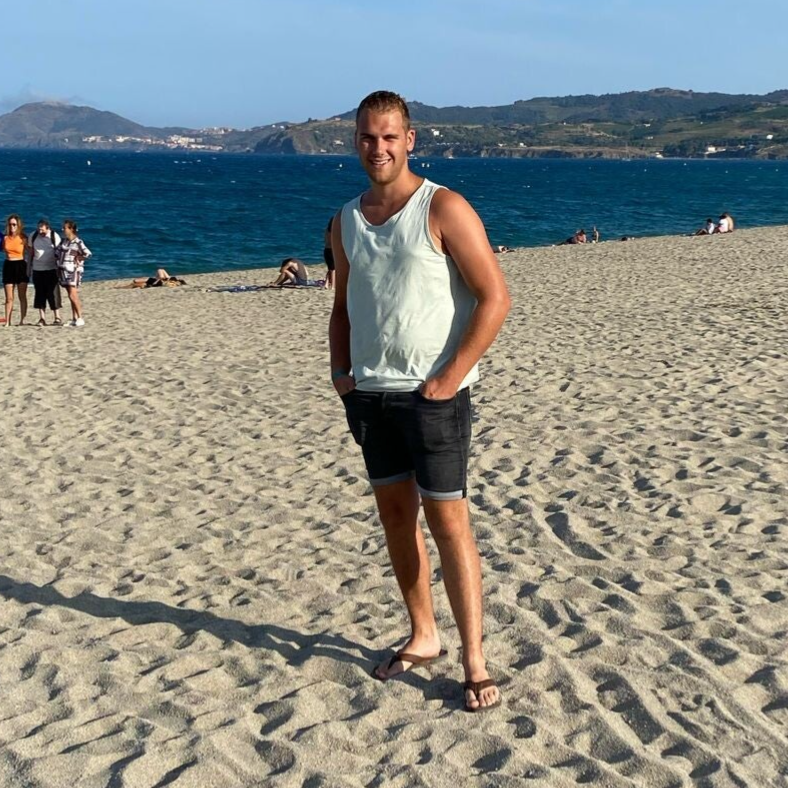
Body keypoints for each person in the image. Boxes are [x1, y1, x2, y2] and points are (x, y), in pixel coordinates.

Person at [329, 91, 511, 712]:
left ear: (409, 140)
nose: (377, 148)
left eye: (388, 137)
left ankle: (474, 660)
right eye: (366, 137)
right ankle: (424, 633)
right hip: (371, 395)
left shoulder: (443, 207)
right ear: (355, 141)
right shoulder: (346, 220)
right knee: (395, 518)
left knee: (449, 522)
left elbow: (494, 298)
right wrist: (341, 372)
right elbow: (342, 305)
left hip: (434, 397)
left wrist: (449, 378)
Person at [27, 218, 63, 326]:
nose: (40, 231)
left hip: (52, 269)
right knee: (40, 294)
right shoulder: (33, 236)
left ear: (48, 228)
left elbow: (60, 252)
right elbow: (30, 253)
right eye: (39, 229)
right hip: (37, 269)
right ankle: (42, 318)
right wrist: (28, 268)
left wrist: (60, 269)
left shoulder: (54, 236)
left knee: (53, 294)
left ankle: (57, 317)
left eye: (42, 229)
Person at [57, 219, 91, 327]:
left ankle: (80, 317)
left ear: (71, 229)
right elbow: (57, 252)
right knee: (70, 295)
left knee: (73, 294)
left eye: (65, 228)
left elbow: (88, 254)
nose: (63, 230)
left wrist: (79, 258)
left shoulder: (78, 242)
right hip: (63, 270)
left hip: (73, 270)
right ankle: (74, 318)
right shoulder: (64, 241)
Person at [3, 214, 30, 326]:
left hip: (21, 266)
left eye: (14, 224)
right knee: (9, 298)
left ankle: (22, 320)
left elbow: (31, 252)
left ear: (18, 225)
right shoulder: (5, 238)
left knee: (21, 296)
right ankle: (7, 321)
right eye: (10, 224)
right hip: (8, 266)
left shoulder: (23, 238)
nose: (12, 227)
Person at [323, 217, 336, 289]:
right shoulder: (334, 231)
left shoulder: (326, 231)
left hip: (326, 249)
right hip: (332, 250)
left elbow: (325, 240)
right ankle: (333, 285)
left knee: (330, 269)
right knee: (333, 269)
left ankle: (326, 283)